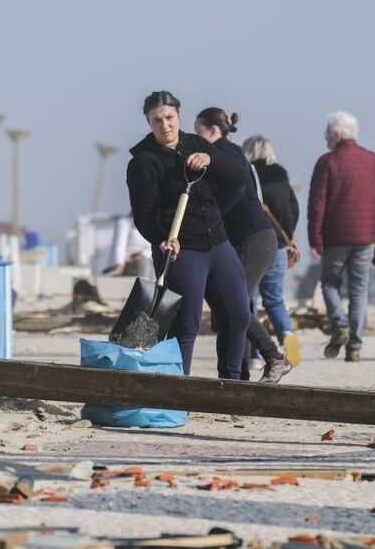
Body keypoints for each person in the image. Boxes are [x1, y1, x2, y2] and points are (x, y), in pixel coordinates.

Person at [127, 91, 249, 379]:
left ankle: (231, 384)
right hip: (182, 251)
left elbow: (236, 180)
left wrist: (212, 159)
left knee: (238, 316)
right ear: (148, 122)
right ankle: (180, 391)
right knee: (186, 325)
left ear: (179, 116)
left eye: (169, 118)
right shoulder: (143, 163)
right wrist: (162, 238)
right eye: (157, 120)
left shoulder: (197, 144)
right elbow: (143, 216)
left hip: (218, 244)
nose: (165, 125)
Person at [193, 109, 291, 383]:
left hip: (254, 238)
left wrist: (215, 216)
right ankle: (237, 376)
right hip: (244, 239)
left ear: (213, 130)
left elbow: (236, 189)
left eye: (198, 131)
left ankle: (274, 358)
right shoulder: (226, 152)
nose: (195, 138)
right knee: (228, 310)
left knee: (233, 307)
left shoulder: (225, 153)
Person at [308, 111, 375, 362]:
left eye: (326, 134)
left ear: (336, 134)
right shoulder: (373, 160)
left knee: (329, 283)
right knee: (359, 290)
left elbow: (317, 205)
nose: (325, 139)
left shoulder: (327, 162)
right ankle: (354, 346)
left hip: (335, 238)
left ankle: (339, 324)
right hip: (366, 238)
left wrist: (315, 239)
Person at [243, 134, 301, 365]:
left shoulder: (247, 175)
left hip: (253, 246)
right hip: (277, 246)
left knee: (249, 300)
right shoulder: (280, 175)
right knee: (275, 299)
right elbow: (294, 209)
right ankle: (286, 333)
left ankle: (254, 355)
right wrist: (285, 235)